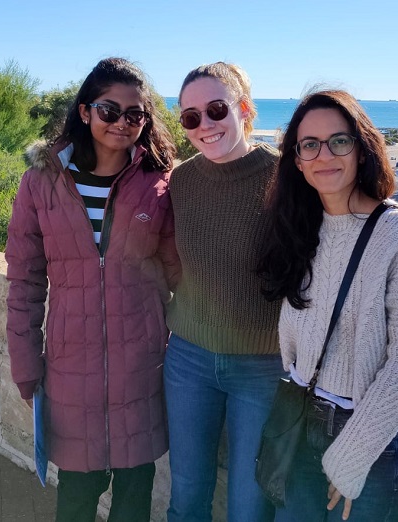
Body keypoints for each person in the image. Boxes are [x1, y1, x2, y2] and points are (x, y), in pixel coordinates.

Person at [4, 57, 180, 522]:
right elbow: (23, 279)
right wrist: (25, 363)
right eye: (109, 110)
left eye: (135, 115)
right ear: (85, 112)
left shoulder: (159, 184)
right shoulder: (41, 182)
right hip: (69, 368)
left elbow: (179, 270)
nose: (123, 123)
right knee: (78, 496)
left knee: (134, 494)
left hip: (142, 366)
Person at [257, 90, 398, 521]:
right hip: (301, 425)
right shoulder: (301, 229)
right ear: (297, 161)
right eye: (310, 145)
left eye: (339, 140)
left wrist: (352, 456)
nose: (325, 154)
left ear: (362, 148)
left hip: (368, 439)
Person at [164, 62, 285, 522]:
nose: (204, 125)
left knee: (249, 508)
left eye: (216, 109)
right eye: (190, 117)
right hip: (188, 360)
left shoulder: (285, 179)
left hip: (262, 366)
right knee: (187, 497)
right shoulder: (182, 181)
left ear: (245, 109)